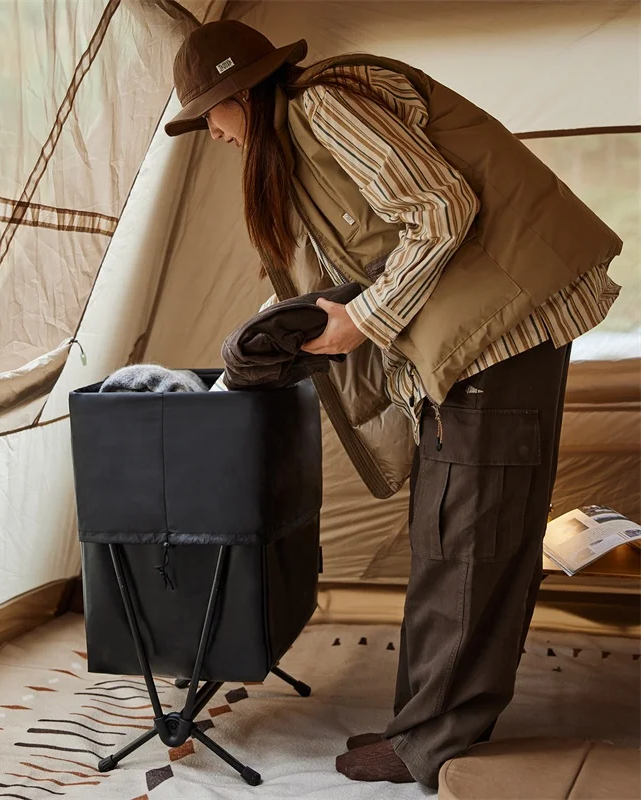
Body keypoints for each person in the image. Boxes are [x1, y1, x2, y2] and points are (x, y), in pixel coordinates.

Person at [165, 20, 622, 789]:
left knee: (466, 542)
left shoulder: (322, 107)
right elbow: (388, 240)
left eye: (209, 112)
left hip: (499, 337)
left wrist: (364, 319)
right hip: (485, 335)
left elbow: (443, 208)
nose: (211, 133)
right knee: (460, 538)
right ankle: (430, 724)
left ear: (242, 94)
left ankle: (429, 740)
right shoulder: (304, 140)